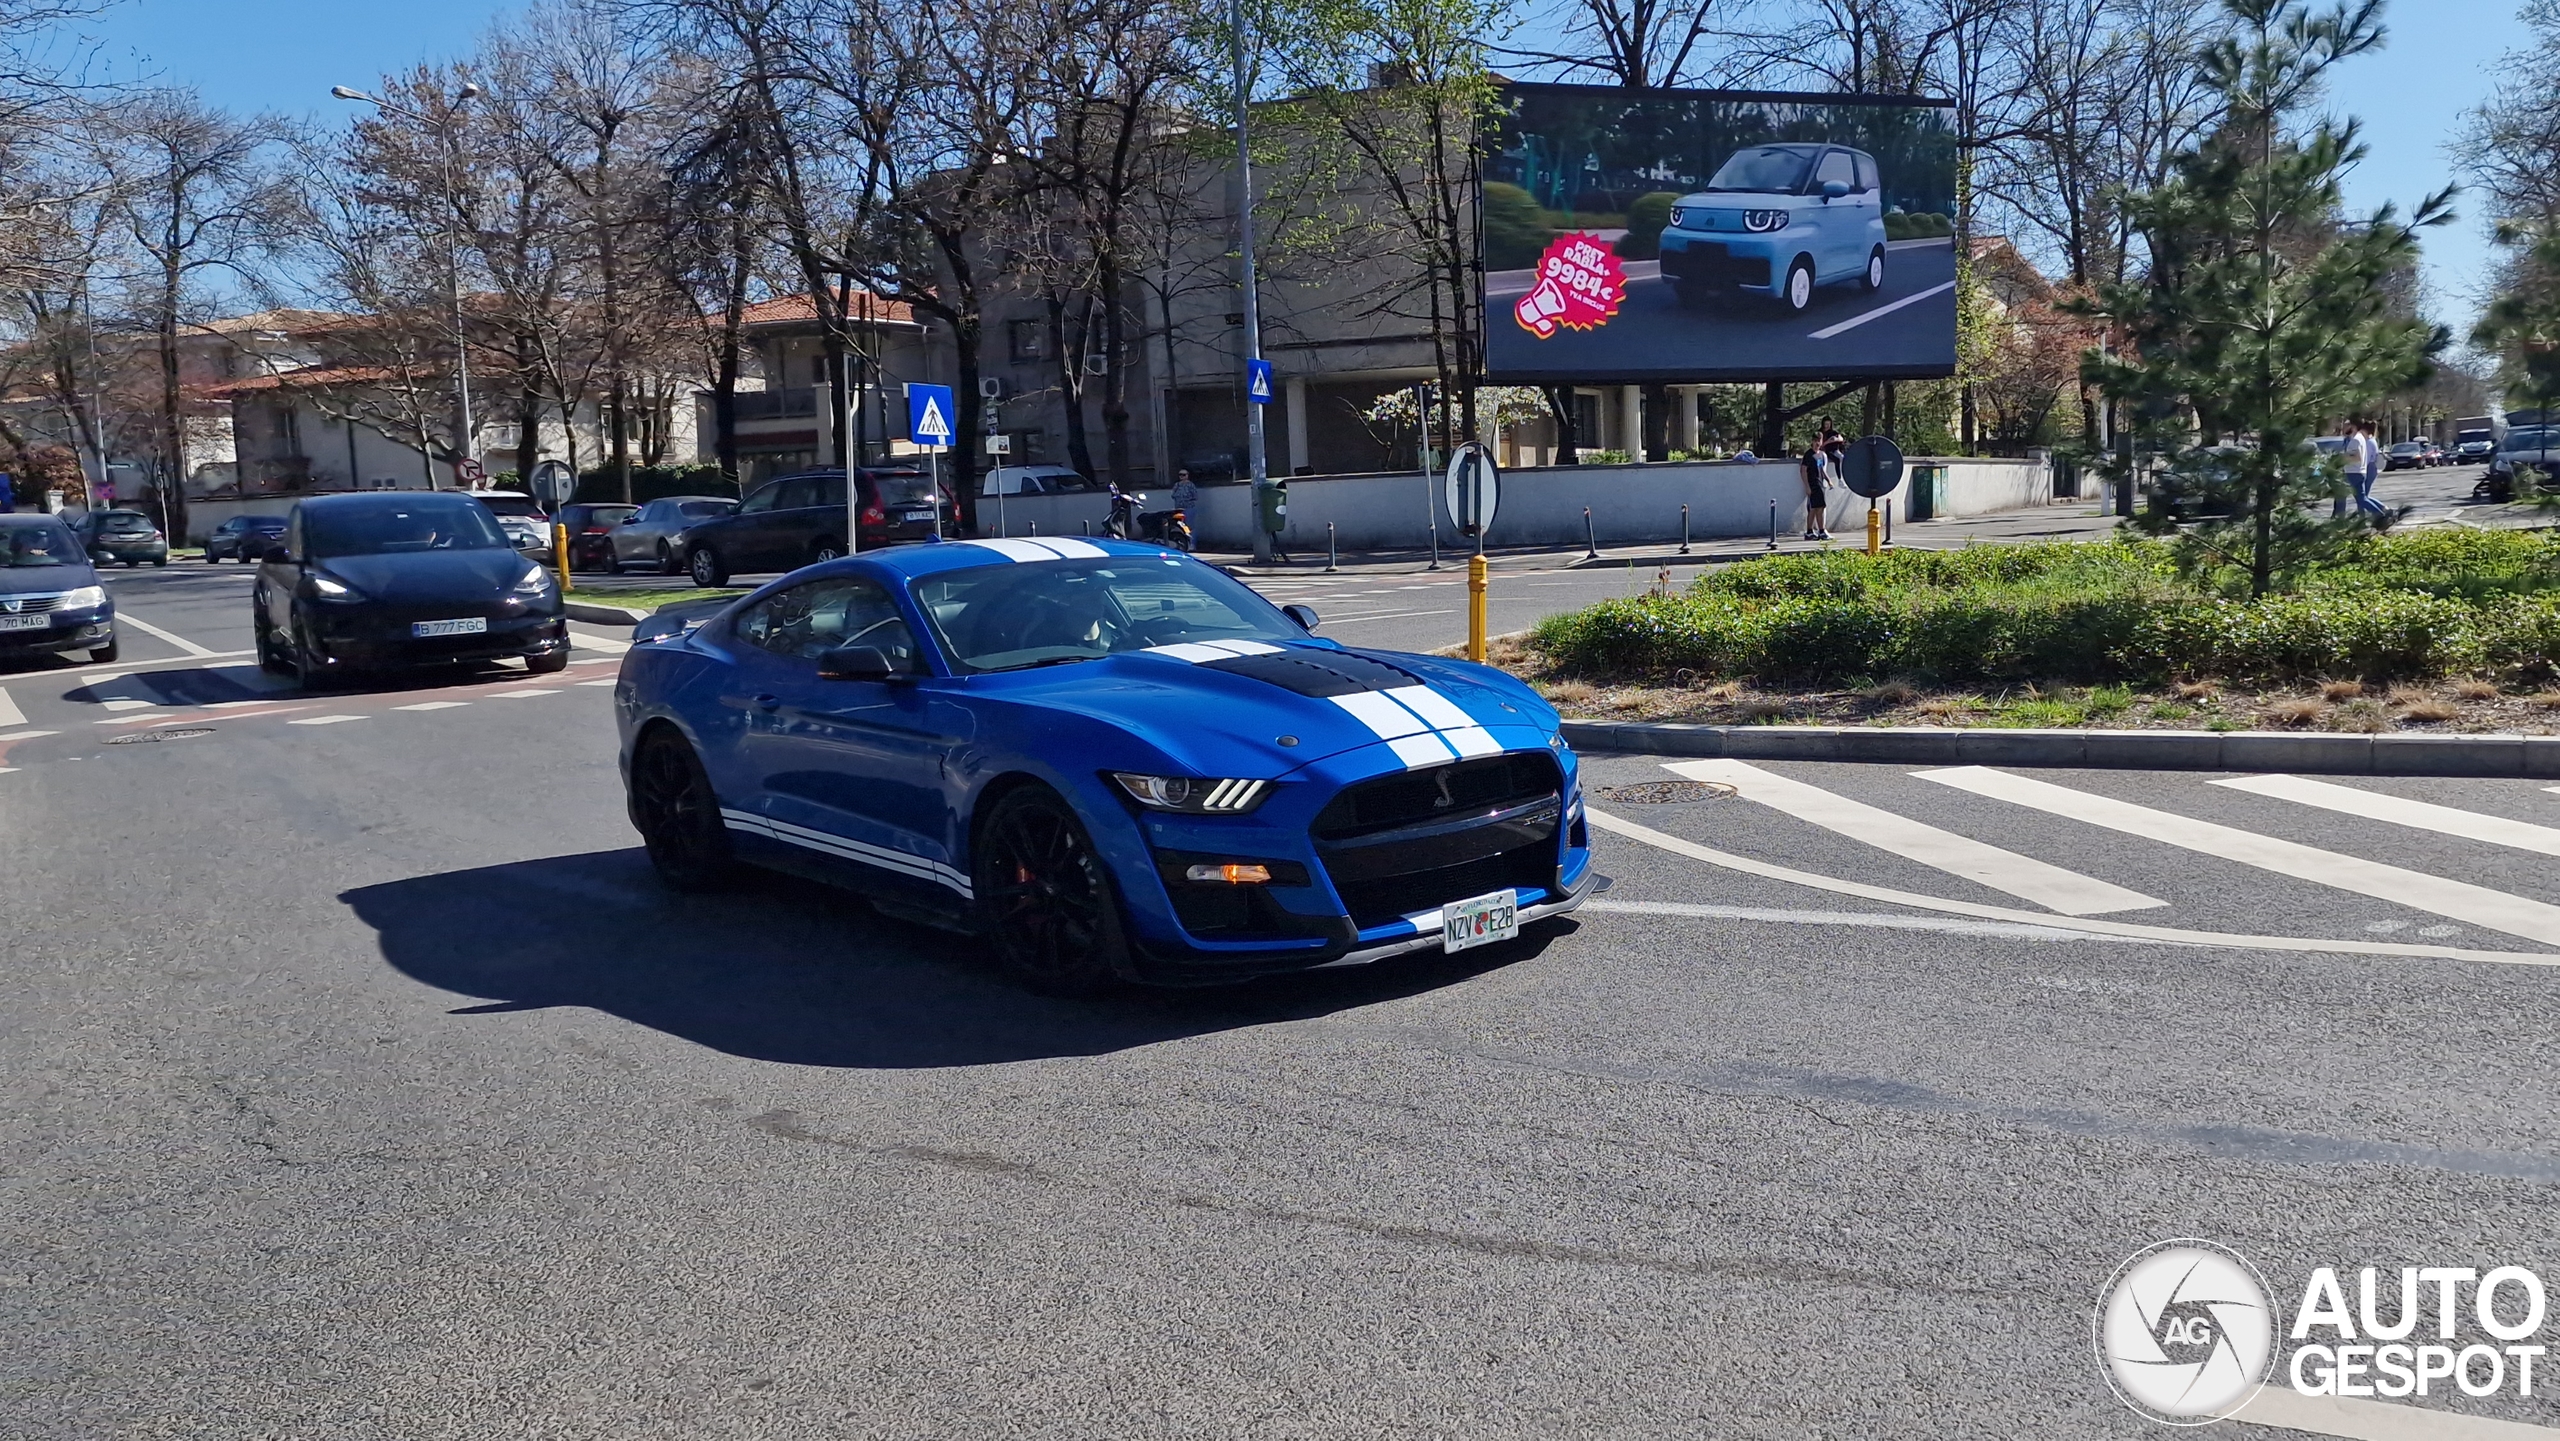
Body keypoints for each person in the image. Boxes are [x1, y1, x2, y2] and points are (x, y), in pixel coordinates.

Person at [2352, 421, 2388, 518]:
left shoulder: (2368, 442)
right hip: (2372, 467)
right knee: (2364, 496)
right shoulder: (2372, 440)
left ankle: (2367, 516)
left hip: (2369, 468)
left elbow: (2365, 458)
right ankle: (2383, 509)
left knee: (2362, 497)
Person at [1799, 435, 1831, 541]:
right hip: (1813, 485)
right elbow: (1803, 470)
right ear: (1812, 441)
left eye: (1819, 440)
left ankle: (1818, 531)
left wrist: (1828, 480)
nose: (1817, 443)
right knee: (1813, 508)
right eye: (1815, 440)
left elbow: (1821, 469)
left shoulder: (1821, 455)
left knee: (1820, 507)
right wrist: (1807, 486)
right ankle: (1812, 531)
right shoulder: (1808, 455)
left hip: (1820, 484)